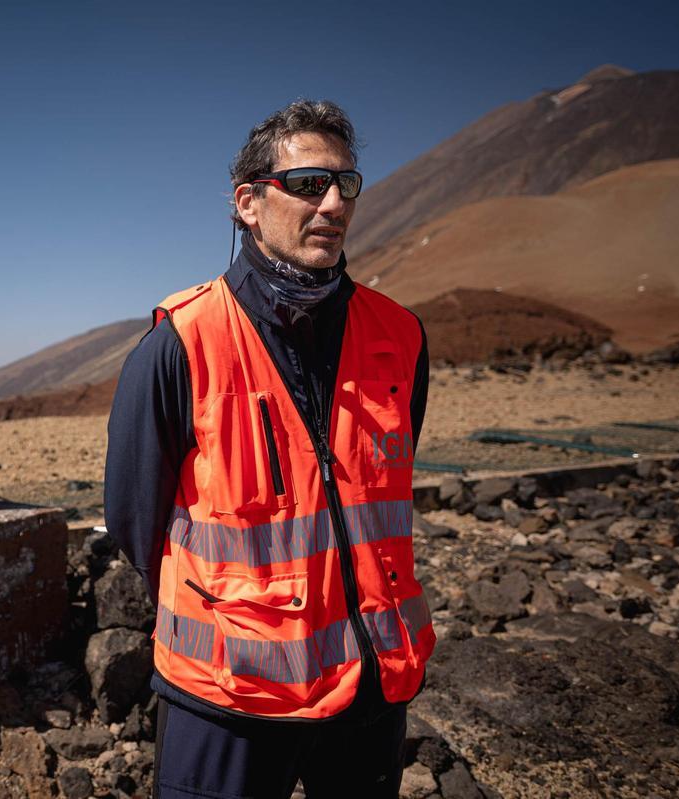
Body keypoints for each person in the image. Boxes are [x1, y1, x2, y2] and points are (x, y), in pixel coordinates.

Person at [105, 100, 433, 798]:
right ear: (249, 202)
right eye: (309, 183)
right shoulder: (180, 346)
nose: (335, 202)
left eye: (348, 183)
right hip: (227, 700)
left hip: (371, 686)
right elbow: (136, 524)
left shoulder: (401, 336)